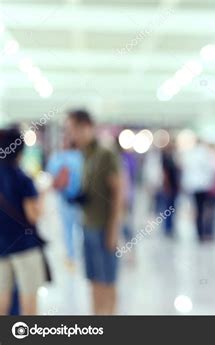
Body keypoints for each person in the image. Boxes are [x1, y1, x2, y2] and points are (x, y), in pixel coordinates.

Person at [65, 110, 123, 315]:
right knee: (94, 280)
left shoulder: (105, 154)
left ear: (87, 127)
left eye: (74, 130)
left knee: (107, 280)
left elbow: (118, 193)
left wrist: (114, 230)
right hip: (87, 225)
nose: (71, 135)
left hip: (103, 228)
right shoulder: (85, 155)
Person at [0, 128, 47, 315]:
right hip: (24, 247)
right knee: (28, 301)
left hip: (1, 247)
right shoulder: (22, 178)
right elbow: (33, 215)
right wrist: (44, 193)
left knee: (2, 297)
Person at [46, 136, 83, 268]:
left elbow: (51, 175)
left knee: (67, 230)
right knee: (81, 228)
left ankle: (70, 257)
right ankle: (81, 255)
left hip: (64, 199)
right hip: (81, 200)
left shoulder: (58, 158)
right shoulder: (81, 157)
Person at [181, 138, 215, 242]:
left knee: (197, 209)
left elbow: (186, 169)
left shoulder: (191, 154)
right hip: (203, 186)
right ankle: (202, 232)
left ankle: (199, 232)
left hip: (195, 186)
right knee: (202, 210)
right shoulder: (204, 154)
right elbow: (210, 169)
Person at [160, 141, 180, 237]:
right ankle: (168, 228)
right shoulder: (166, 158)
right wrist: (167, 186)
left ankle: (170, 227)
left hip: (174, 187)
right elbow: (165, 174)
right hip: (170, 188)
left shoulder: (172, 157)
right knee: (168, 209)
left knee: (172, 208)